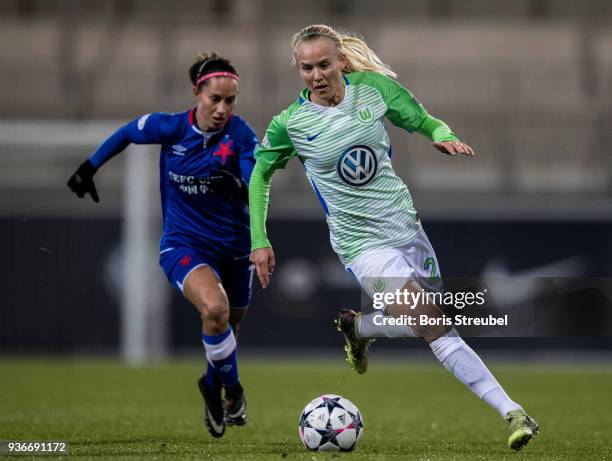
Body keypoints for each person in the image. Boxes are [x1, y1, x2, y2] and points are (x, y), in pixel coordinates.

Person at [248, 25, 539, 451]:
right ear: (299, 70)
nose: (316, 75)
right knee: (433, 324)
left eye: (324, 64)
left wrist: (442, 136)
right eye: (306, 68)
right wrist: (260, 238)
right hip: (362, 247)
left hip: (406, 227)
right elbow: (260, 176)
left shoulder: (373, 90)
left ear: (341, 62)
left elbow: (421, 118)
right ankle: (512, 411)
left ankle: (361, 328)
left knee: (435, 314)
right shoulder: (290, 125)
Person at [67, 52, 258, 439]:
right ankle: (233, 391)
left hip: (236, 248)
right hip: (183, 244)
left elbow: (257, 187)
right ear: (197, 94)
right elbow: (125, 133)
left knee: (227, 327)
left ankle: (211, 385)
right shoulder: (169, 128)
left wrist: (238, 186)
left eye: (230, 100)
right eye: (215, 99)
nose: (223, 109)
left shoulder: (241, 136)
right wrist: (90, 167)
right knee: (216, 308)